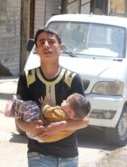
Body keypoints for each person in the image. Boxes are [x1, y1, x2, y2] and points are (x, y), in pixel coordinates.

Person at [16, 27, 89, 167]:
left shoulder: (73, 79)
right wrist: (28, 127)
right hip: (38, 155)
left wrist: (62, 125)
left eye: (51, 41)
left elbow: (84, 120)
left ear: (60, 47)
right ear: (36, 49)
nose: (46, 46)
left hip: (69, 156)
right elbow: (18, 117)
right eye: (41, 42)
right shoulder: (26, 78)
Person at [5, 93, 90, 143]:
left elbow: (47, 112)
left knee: (32, 105)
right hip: (41, 138)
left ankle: (13, 107)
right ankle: (15, 112)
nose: (64, 100)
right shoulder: (73, 123)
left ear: (70, 112)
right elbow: (85, 120)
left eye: (66, 101)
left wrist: (45, 104)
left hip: (36, 131)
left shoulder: (61, 114)